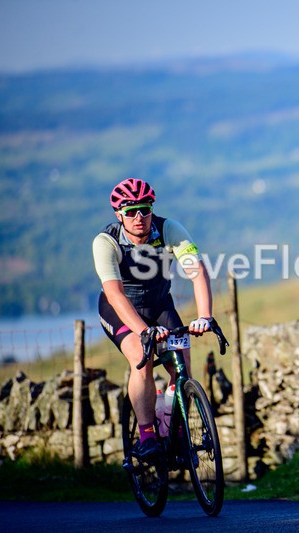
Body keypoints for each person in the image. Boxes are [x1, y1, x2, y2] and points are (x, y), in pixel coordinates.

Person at [92, 178, 214, 460]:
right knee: (140, 356)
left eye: (145, 210)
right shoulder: (106, 242)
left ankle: (175, 427)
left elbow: (197, 272)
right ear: (118, 214)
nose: (139, 217)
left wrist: (205, 316)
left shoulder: (169, 229)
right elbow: (115, 294)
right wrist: (144, 331)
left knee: (181, 363)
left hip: (159, 304)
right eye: (131, 211)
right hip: (120, 308)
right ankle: (146, 435)